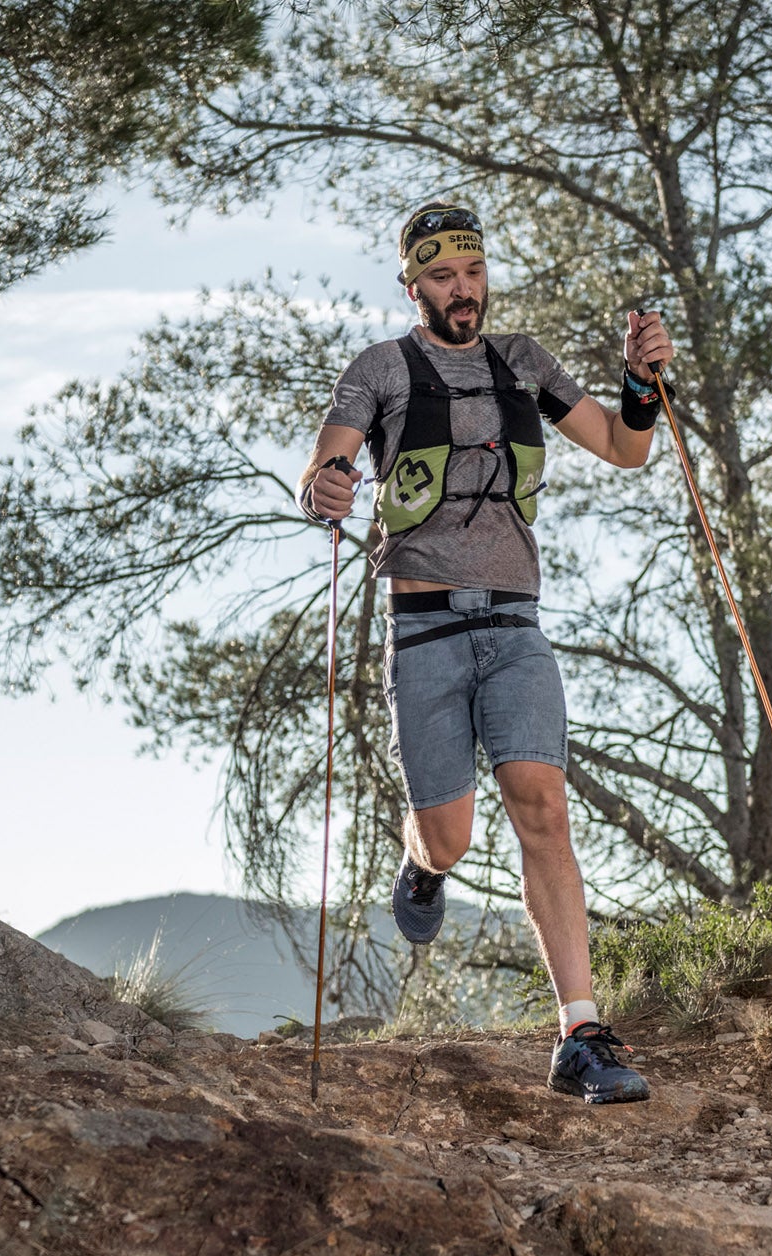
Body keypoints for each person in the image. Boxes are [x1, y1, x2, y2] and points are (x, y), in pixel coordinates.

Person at [295, 201, 674, 1104]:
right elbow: (321, 477)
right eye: (441, 277)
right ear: (412, 284)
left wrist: (640, 378)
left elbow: (626, 450)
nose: (461, 291)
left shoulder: (525, 362)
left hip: (515, 628)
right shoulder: (379, 371)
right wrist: (330, 486)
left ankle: (579, 1032)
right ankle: (421, 865)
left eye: (471, 273)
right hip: (423, 630)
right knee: (451, 836)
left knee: (543, 808)